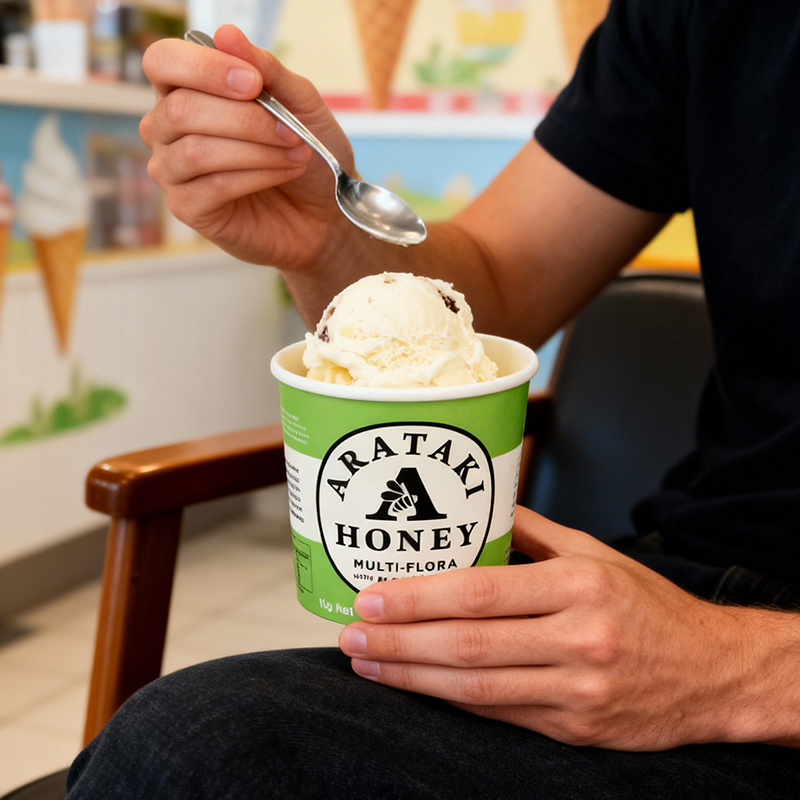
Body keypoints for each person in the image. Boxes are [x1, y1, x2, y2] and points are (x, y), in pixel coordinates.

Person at [66, 1, 800, 797]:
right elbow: (499, 282)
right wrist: (327, 234)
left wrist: (737, 668)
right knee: (200, 746)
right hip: (684, 579)